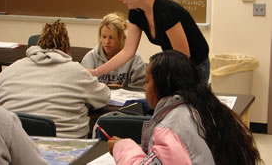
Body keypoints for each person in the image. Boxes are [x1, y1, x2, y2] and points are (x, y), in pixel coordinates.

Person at [108, 50, 262, 165]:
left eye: (147, 81)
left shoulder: (171, 127)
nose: (144, 87)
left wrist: (123, 147)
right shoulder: (209, 108)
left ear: (163, 86)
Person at [88, 0, 210, 83]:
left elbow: (183, 55)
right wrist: (96, 72)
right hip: (176, 64)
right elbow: (128, 51)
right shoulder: (136, 13)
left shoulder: (167, 11)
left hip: (195, 65)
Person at [0, 20, 110, 139]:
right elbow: (104, 97)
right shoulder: (77, 71)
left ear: (39, 45)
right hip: (67, 147)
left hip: (15, 145)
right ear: (67, 49)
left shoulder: (13, 68)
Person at [81, 12, 145, 88]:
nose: (107, 42)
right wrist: (107, 88)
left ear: (121, 37)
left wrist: (122, 89)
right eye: (104, 37)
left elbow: (140, 88)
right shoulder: (90, 58)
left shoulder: (135, 58)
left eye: (111, 37)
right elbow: (83, 86)